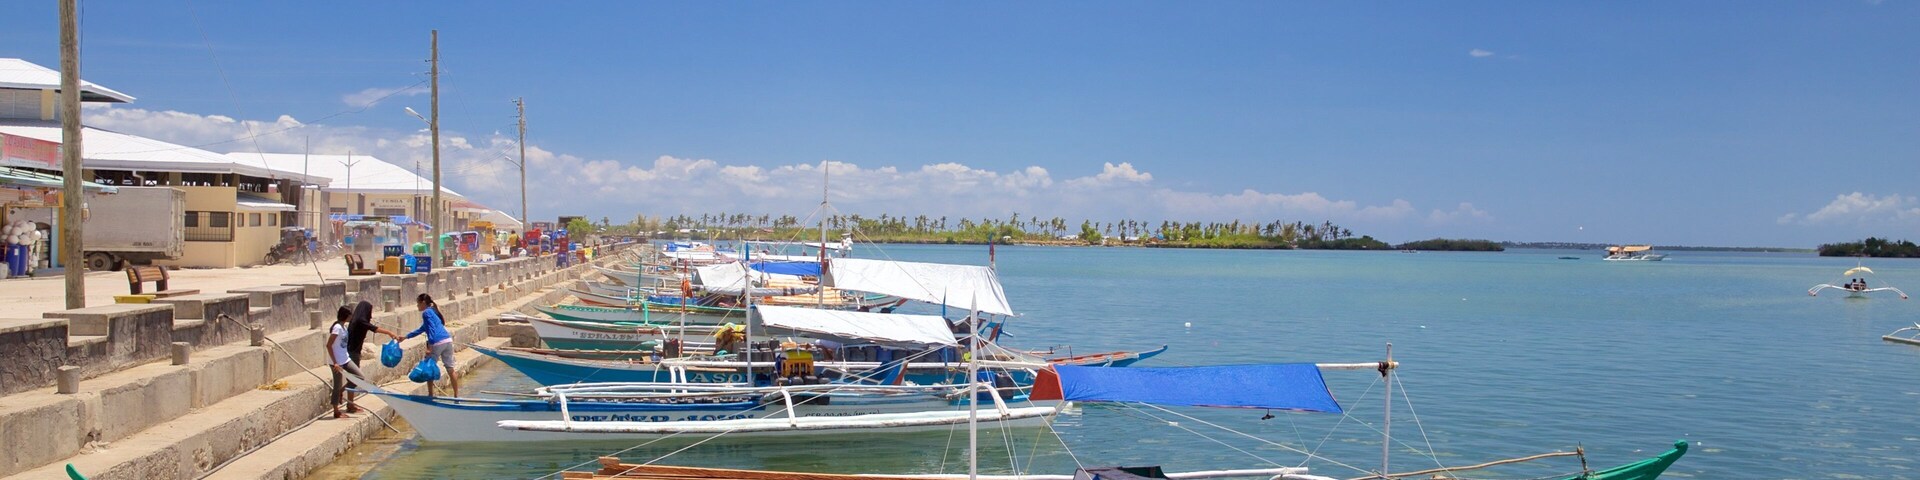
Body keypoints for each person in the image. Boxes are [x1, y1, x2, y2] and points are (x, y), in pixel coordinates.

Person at [339, 301, 399, 413]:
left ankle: (349, 403)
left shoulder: (356, 320)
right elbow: (374, 329)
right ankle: (344, 396)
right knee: (357, 377)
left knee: (354, 377)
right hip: (352, 352)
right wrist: (389, 333)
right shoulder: (361, 321)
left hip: (353, 351)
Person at [405, 293, 460, 397]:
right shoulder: (433, 312)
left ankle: (430, 394)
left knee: (428, 368)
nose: (417, 306)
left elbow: (431, 330)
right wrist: (405, 337)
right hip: (447, 341)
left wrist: (429, 347)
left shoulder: (426, 313)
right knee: (450, 368)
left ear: (423, 303)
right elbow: (421, 329)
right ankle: (456, 396)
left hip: (437, 342)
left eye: (418, 303)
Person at [327, 307, 366, 419]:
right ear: (346, 315)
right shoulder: (337, 328)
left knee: (359, 376)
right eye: (350, 315)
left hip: (345, 359)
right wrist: (335, 363)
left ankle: (341, 392)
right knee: (337, 384)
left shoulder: (344, 327)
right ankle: (336, 411)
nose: (352, 317)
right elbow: (329, 345)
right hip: (337, 362)